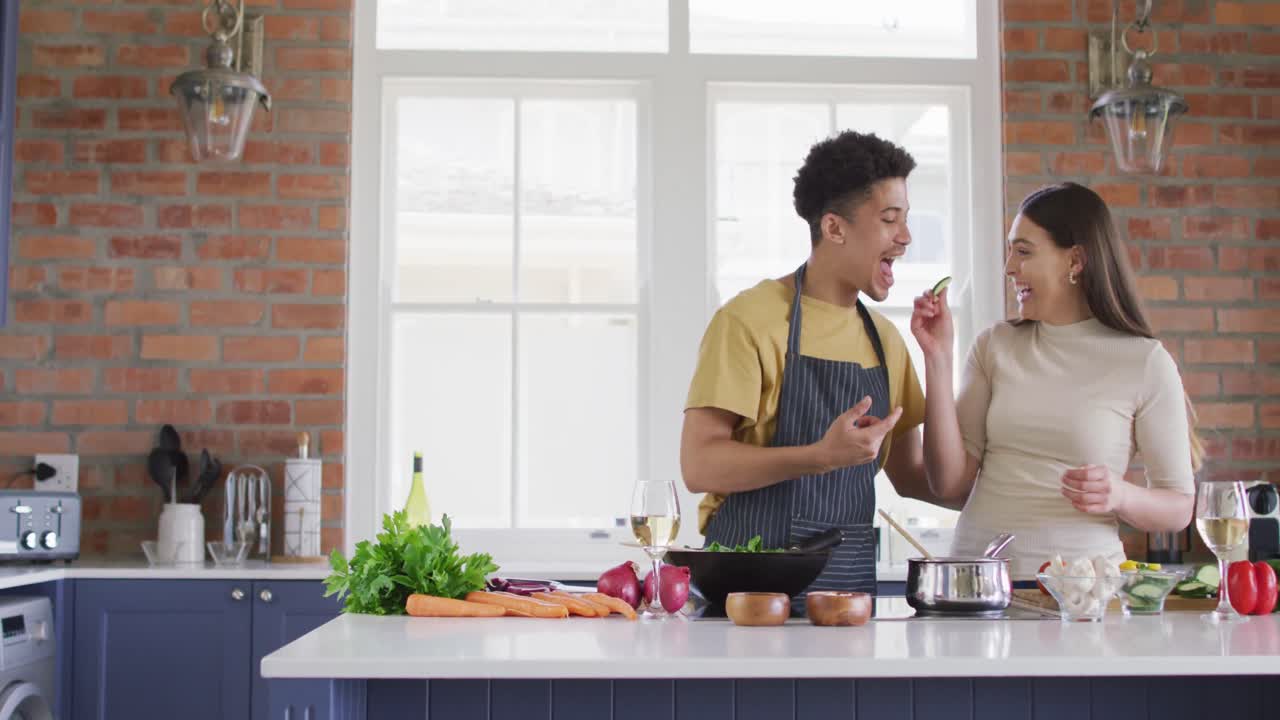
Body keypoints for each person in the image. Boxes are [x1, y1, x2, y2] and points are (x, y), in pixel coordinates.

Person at [680, 131, 943, 604]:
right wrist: (818, 456)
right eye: (889, 219)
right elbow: (699, 464)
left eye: (905, 220)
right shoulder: (750, 320)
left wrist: (1017, 486)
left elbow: (913, 476)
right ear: (834, 228)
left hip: (846, 600)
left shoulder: (886, 340)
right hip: (747, 599)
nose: (905, 238)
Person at [909, 181, 1200, 579]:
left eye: (1024, 251)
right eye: (1011, 251)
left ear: (1075, 261)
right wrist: (938, 358)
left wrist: (1119, 494)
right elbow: (948, 483)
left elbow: (1179, 508)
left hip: (1082, 593)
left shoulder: (1144, 361)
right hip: (980, 586)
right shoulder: (996, 346)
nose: (1010, 267)